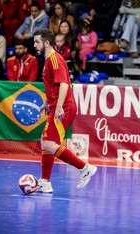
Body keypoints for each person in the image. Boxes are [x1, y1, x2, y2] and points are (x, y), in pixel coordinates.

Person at [33, 28, 97, 192]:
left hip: (65, 107)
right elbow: (53, 84)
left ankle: (84, 168)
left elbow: (64, 84)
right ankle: (45, 182)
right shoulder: (48, 61)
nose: (34, 45)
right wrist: (48, 102)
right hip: (57, 106)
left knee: (48, 143)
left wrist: (59, 105)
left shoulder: (55, 59)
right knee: (46, 142)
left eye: (37, 42)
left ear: (47, 43)